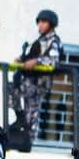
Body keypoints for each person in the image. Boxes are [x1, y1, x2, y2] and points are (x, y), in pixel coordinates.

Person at [11, 9, 63, 141]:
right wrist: (21, 59)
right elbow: (29, 56)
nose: (40, 25)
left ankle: (28, 139)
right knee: (13, 94)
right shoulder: (38, 41)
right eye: (39, 22)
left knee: (31, 114)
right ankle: (20, 122)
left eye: (43, 22)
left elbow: (54, 61)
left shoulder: (54, 41)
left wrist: (37, 61)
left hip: (38, 83)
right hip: (26, 81)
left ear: (51, 24)